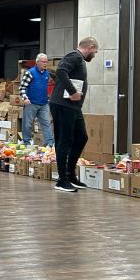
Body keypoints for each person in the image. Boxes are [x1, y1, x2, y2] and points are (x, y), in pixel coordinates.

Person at [49, 36, 98, 193]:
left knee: (81, 137)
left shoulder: (80, 60)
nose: (95, 55)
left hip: (73, 107)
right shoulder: (74, 56)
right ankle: (62, 180)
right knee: (64, 140)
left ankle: (70, 175)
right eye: (95, 51)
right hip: (63, 105)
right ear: (90, 47)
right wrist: (72, 91)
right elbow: (61, 71)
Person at [20, 53, 55, 148]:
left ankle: (49, 144)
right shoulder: (30, 73)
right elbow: (22, 87)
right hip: (31, 103)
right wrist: (25, 98)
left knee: (46, 123)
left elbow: (45, 87)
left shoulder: (47, 73)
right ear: (37, 62)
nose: (45, 64)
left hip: (44, 103)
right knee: (27, 124)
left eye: (46, 62)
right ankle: (27, 142)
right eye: (43, 62)